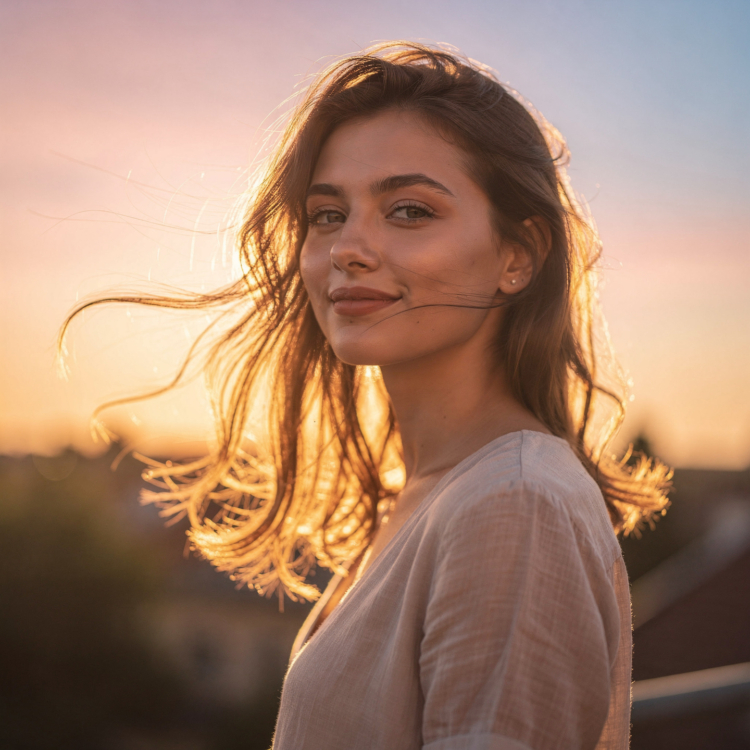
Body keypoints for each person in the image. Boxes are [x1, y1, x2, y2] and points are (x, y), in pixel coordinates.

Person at [61, 41, 670, 749]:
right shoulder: (429, 494)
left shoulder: (515, 503)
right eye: (327, 214)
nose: (349, 246)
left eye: (409, 211)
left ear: (518, 256)